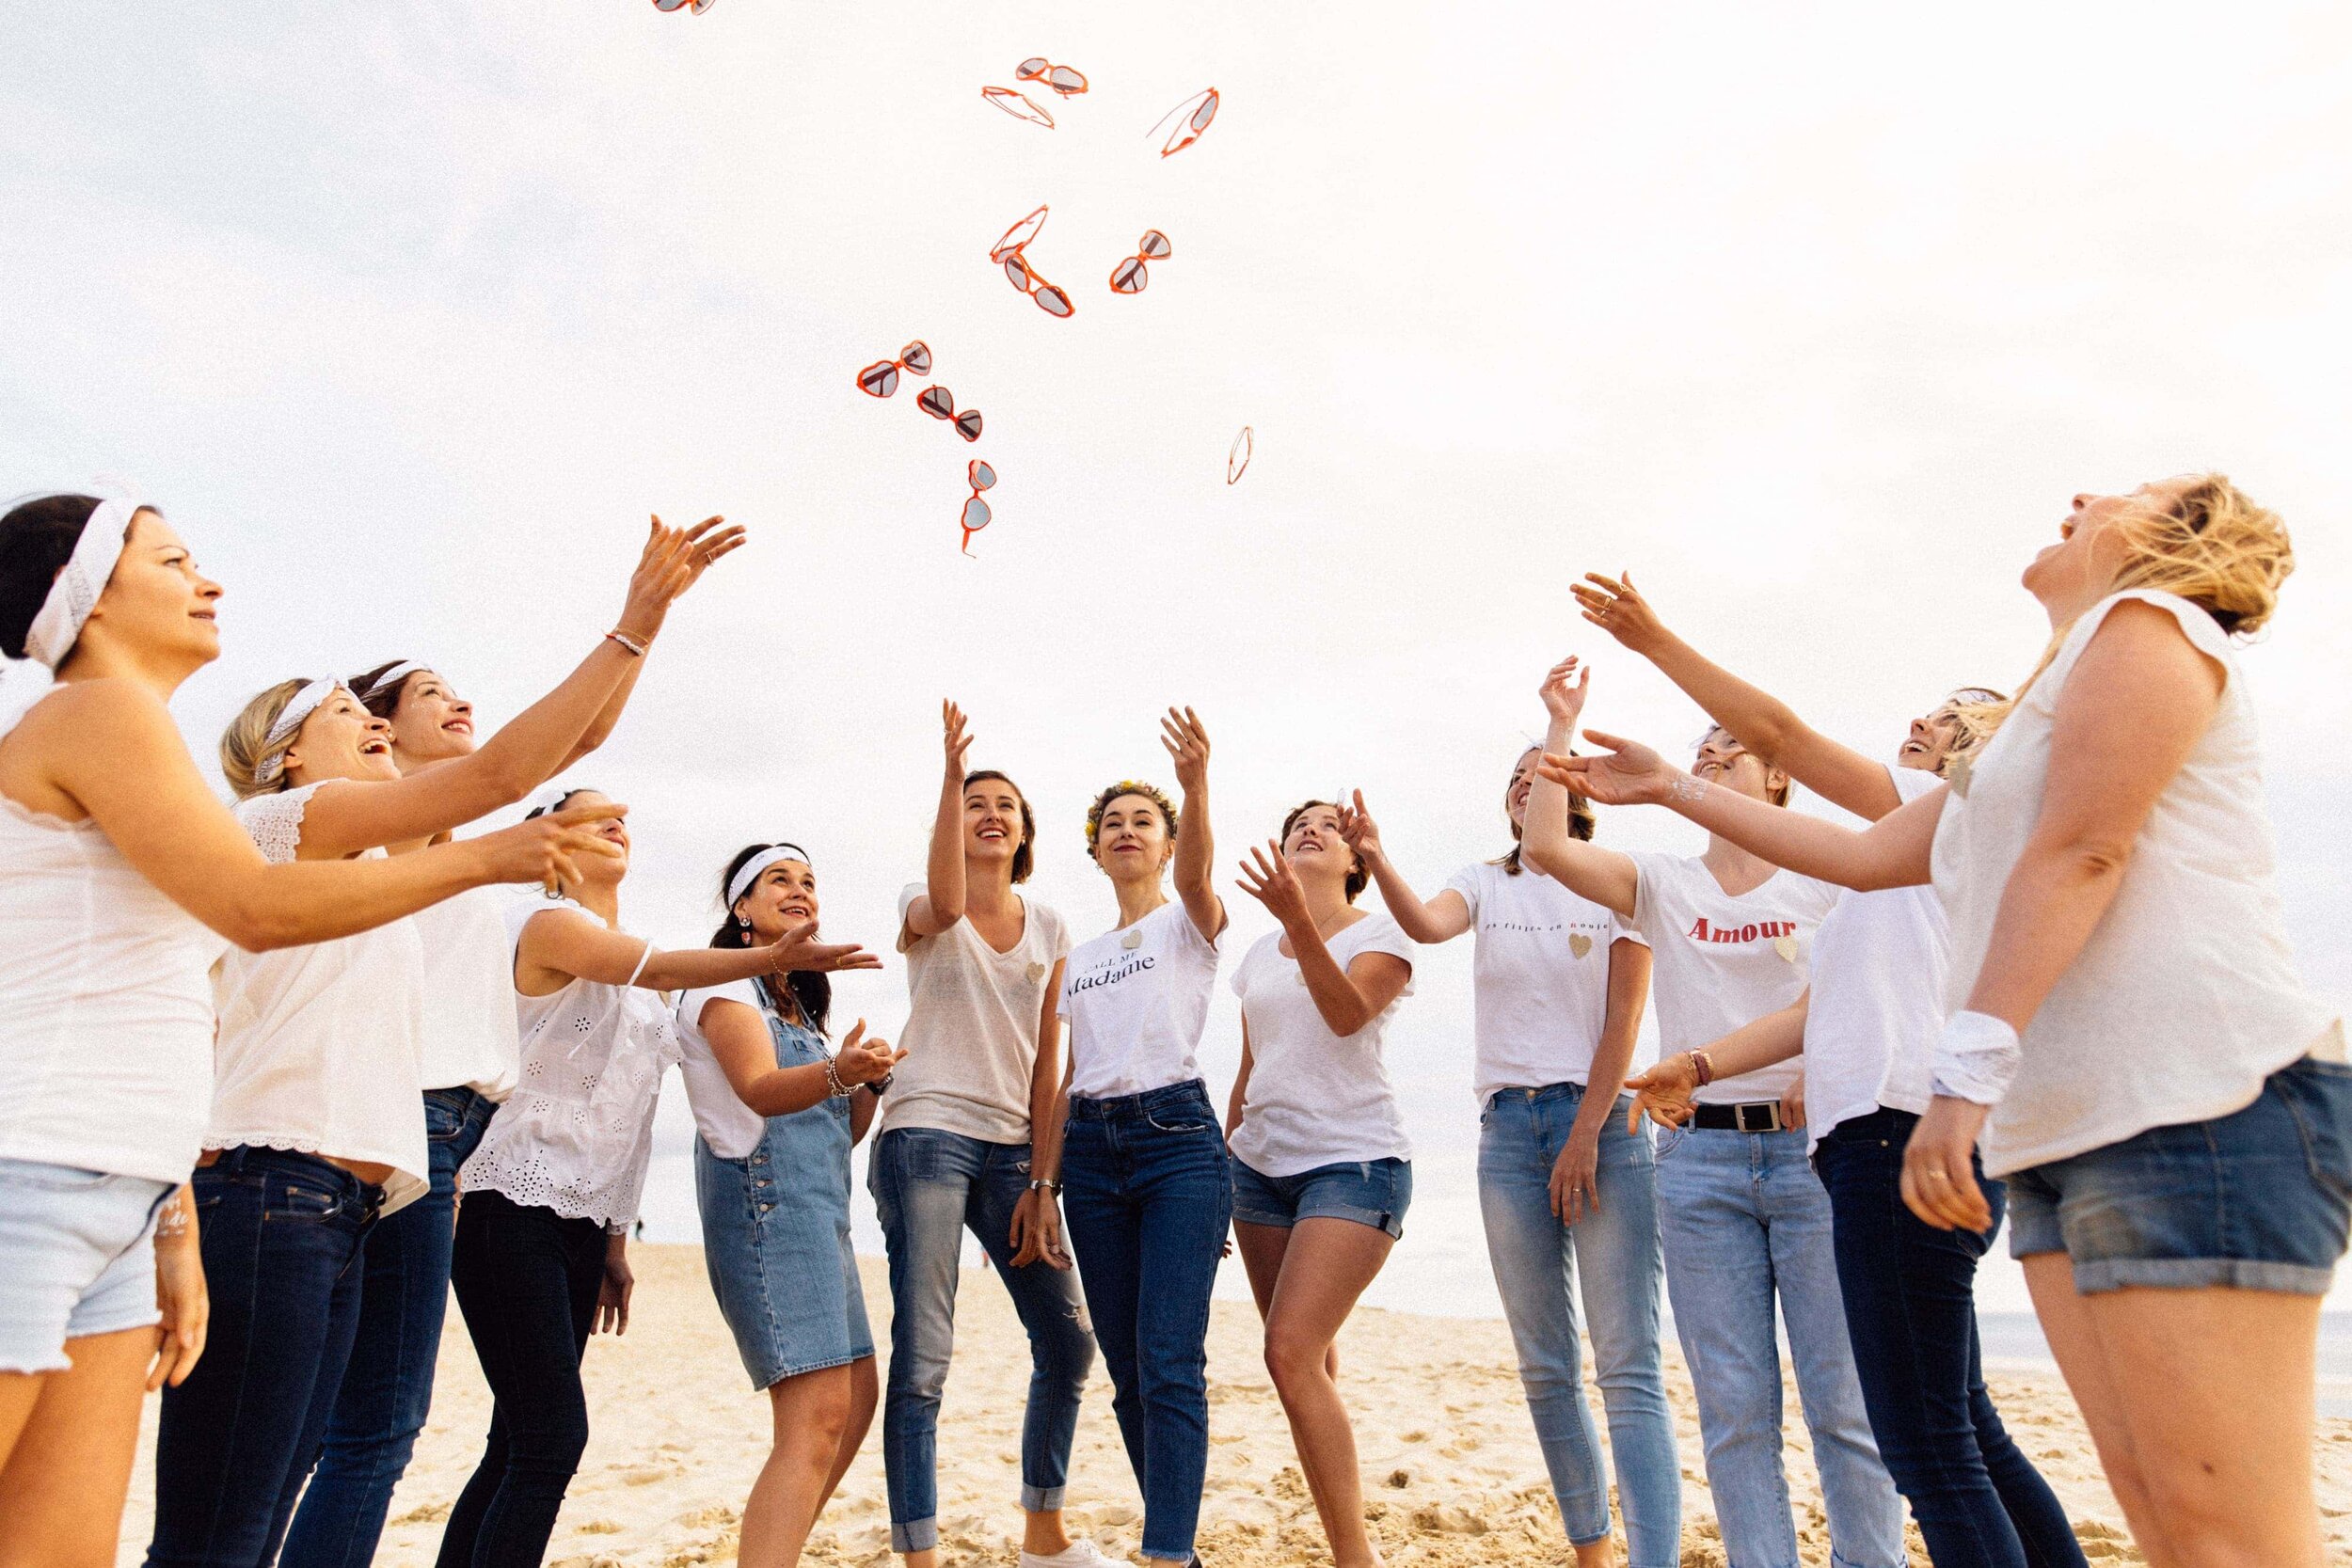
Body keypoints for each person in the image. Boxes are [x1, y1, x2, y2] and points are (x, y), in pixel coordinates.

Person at [1550, 477, 2351, 1564]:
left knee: (2222, 1534)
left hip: (2200, 1102)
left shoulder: (2148, 622)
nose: (2077, 494)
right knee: (2164, 1522)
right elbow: (1866, 853)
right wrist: (1669, 787)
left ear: (2171, 534)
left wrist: (1961, 1078)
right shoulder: (2027, 732)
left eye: (2122, 491)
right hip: (2075, 1129)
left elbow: (2084, 853)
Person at [0, 492, 605, 1568]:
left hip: (118, 1182)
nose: (210, 580)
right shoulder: (97, 710)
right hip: (35, 1176)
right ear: (86, 599)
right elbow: (257, 911)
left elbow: (171, 1012)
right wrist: (486, 856)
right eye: (175, 559)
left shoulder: (150, 768)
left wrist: (171, 1219)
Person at [146, 522, 739, 1568]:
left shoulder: (383, 858)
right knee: (257, 1499)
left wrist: (637, 645)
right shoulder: (292, 817)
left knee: (333, 1451)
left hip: (368, 1180)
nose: (371, 724)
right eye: (348, 714)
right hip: (276, 1180)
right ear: (288, 751)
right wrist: (635, 620)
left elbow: (538, 760)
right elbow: (504, 775)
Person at [1579, 574, 2082, 1567]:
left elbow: (1781, 731)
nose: (1921, 724)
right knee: (1964, 1424)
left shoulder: (1969, 807)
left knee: (1927, 1447)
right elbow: (1821, 1009)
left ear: (1999, 747)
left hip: (1900, 1133)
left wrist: (1653, 641)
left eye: (1950, 721)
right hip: (1887, 1131)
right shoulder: (1898, 857)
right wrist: (1696, 1060)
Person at [1519, 658, 1906, 1568]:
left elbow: (1865, 996)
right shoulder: (1664, 881)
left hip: (1815, 1154)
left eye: (1730, 750)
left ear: (1775, 776)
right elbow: (1548, 850)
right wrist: (1559, 730)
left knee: (1845, 1406)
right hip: (1699, 1163)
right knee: (1734, 1413)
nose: (1714, 757)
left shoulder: (1832, 874)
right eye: (1702, 751)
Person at [437, 788, 876, 1568]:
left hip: (576, 1216)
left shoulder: (645, 976)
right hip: (504, 1199)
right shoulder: (548, 924)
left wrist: (613, 1239)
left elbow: (629, 1121)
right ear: (549, 839)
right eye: (586, 812)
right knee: (549, 1439)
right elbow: (672, 980)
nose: (615, 820)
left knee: (517, 1439)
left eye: (621, 816)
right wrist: (774, 963)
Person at [1339, 754, 1676, 1568]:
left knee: (1628, 1364)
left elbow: (1624, 1022)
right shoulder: (1485, 880)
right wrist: (1377, 855)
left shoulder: (1619, 881)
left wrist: (1588, 1132)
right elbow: (1423, 923)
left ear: (1580, 791)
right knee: (1543, 1363)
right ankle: (1592, 1549)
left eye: (1548, 769)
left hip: (1607, 1126)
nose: (1531, 780)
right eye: (1518, 774)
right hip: (1505, 1133)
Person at [868, 703, 1102, 1568]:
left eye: (1005, 803)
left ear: (1026, 831)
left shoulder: (1050, 927)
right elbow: (940, 899)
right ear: (952, 823)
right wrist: (947, 771)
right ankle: (920, 1555)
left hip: (1014, 1151)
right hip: (926, 1131)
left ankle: (1044, 1534)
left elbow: (1050, 1064)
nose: (990, 812)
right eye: (975, 803)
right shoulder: (926, 905)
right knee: (926, 1355)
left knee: (1069, 1338)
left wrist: (1045, 1181)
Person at [676, 842, 899, 1568]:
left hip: (821, 1221)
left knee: (857, 1397)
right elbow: (759, 1090)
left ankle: (772, 1552)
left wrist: (866, 1083)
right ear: (742, 907)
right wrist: (838, 1069)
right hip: (766, 1216)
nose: (800, 889)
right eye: (780, 879)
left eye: (809, 880)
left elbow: (839, 1131)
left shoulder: (796, 1003)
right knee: (814, 1416)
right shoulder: (725, 990)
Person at [1047, 711, 1230, 1568]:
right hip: (1089, 1153)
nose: (1125, 830)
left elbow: (1200, 879)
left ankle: (1161, 1556)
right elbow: (1067, 1072)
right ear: (1095, 849)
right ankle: (1179, 1553)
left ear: (1166, 845)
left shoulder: (1188, 922)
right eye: (1111, 822)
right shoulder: (1077, 958)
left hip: (1178, 1141)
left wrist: (1193, 786)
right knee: (1126, 1370)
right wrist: (1043, 1186)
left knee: (1169, 1360)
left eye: (1142, 821)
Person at [1223, 800, 1416, 1568]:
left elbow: (1346, 1014)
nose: (1308, 828)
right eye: (1295, 823)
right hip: (1260, 1169)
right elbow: (1250, 1068)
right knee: (1308, 1361)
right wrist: (1222, 1161)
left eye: (1327, 826)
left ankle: (1354, 1557)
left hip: (1355, 1161)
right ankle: (1339, 1525)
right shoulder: (1257, 954)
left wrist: (1296, 921)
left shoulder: (1383, 932)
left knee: (1289, 1351)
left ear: (1354, 858)